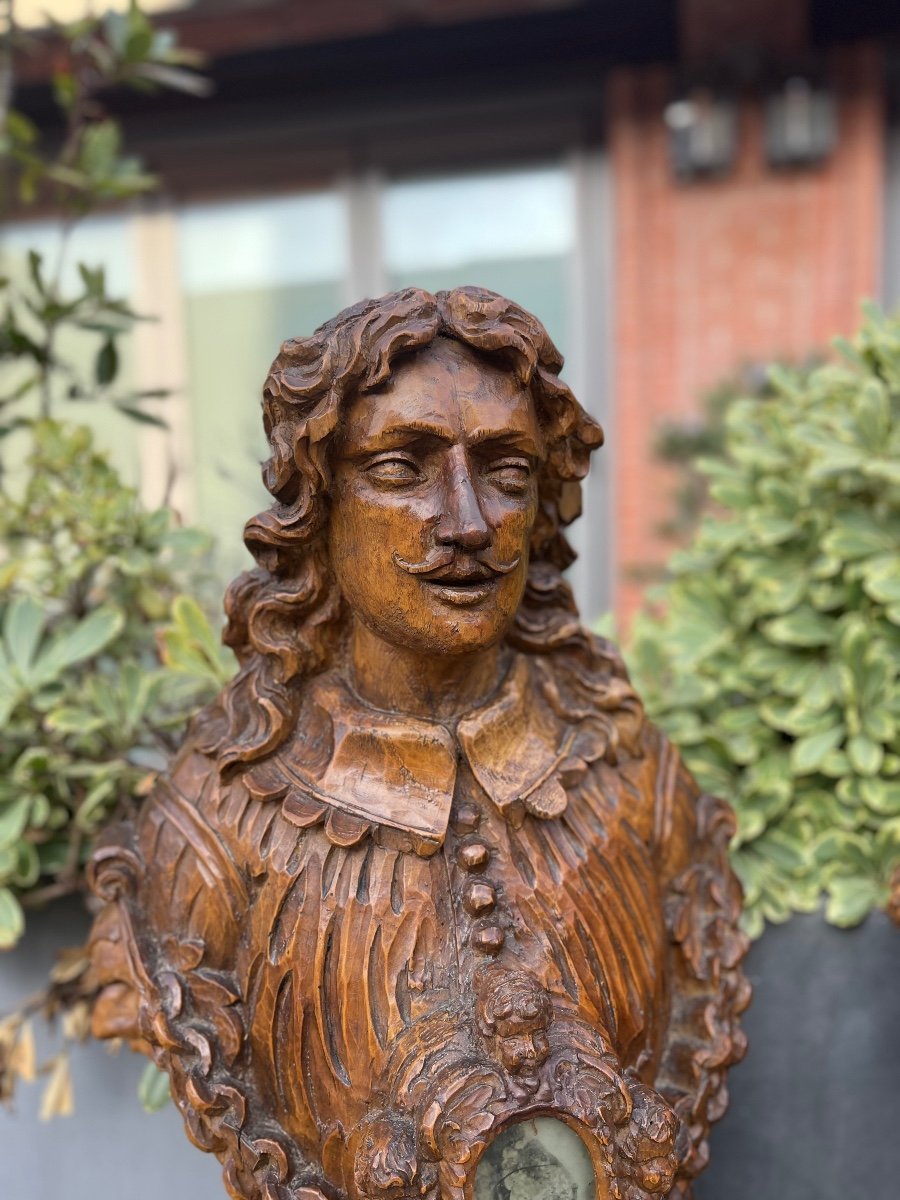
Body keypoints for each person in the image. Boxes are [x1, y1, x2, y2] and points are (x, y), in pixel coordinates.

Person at [88, 287, 749, 1200]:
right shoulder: (215, 821)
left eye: (509, 473)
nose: (469, 522)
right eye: (403, 467)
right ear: (317, 503)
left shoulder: (632, 768)